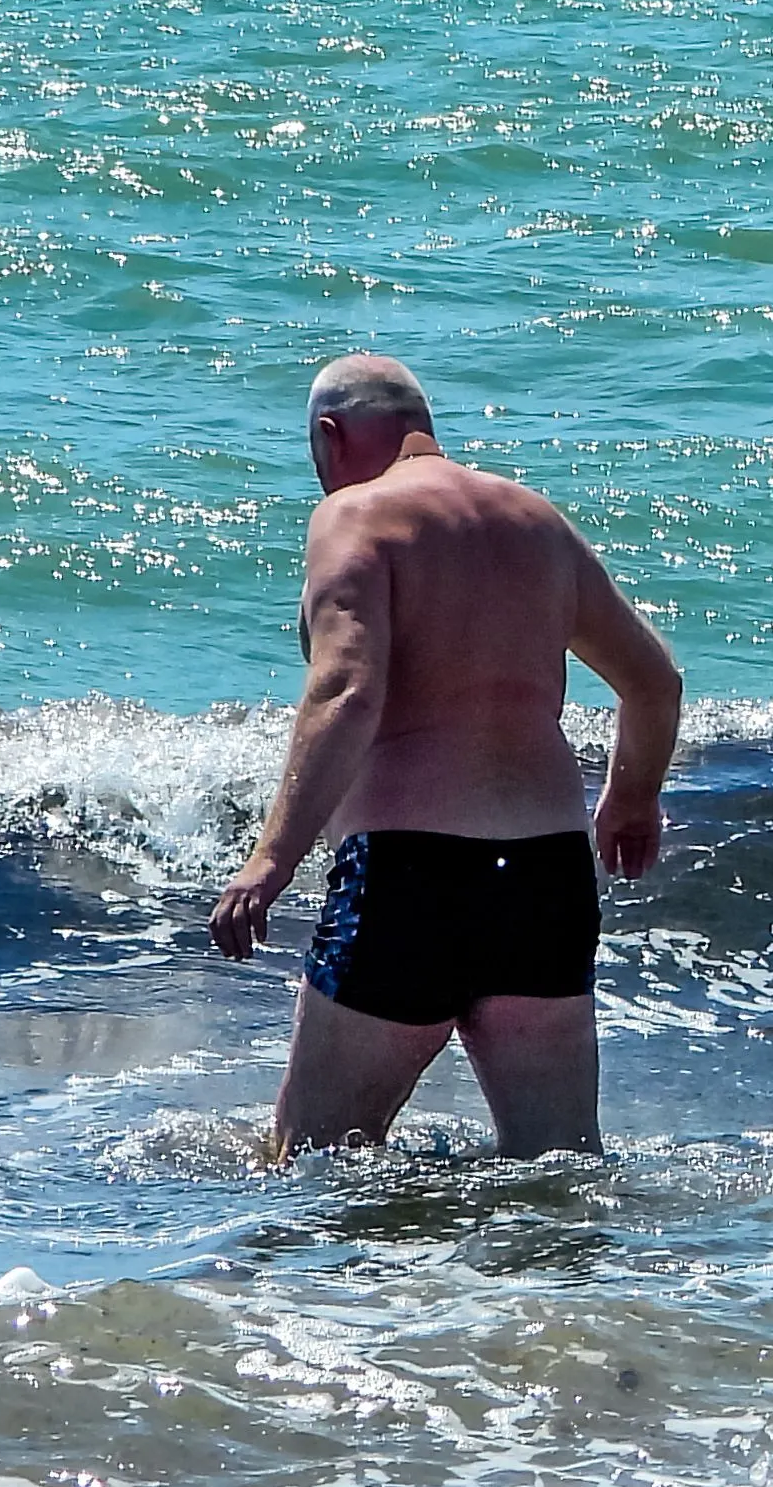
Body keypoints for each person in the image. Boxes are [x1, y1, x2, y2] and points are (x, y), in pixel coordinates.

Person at [205, 353, 684, 1160]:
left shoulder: (355, 518)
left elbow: (347, 691)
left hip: (410, 879)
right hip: (546, 878)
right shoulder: (536, 520)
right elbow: (655, 683)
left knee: (307, 1164)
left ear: (331, 434)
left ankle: (330, 1294)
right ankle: (570, 1294)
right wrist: (632, 798)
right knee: (559, 1171)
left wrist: (269, 860)